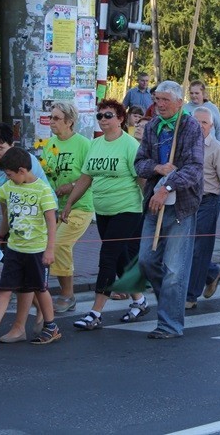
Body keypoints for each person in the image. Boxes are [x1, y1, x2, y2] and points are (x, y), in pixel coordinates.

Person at [63, 99, 148, 329]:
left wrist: (147, 205)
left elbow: (141, 178)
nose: (103, 120)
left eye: (108, 115)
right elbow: (86, 177)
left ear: (121, 118)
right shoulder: (95, 144)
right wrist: (70, 203)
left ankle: (95, 312)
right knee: (120, 258)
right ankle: (140, 300)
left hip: (127, 209)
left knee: (107, 257)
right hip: (103, 210)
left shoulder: (130, 145)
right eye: (99, 116)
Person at [0, 147, 60, 347]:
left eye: (9, 174)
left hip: (36, 250)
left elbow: (51, 220)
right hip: (14, 249)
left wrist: (50, 249)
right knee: (5, 289)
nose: (8, 178)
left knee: (40, 289)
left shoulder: (42, 190)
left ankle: (51, 326)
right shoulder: (10, 186)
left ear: (22, 170)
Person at [136, 81, 204, 338]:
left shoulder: (191, 126)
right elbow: (139, 163)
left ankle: (170, 324)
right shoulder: (152, 126)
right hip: (154, 205)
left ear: (179, 102)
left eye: (165, 100)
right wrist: (157, 168)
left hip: (181, 207)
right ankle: (169, 301)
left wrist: (169, 186)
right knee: (146, 261)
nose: (160, 104)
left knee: (175, 269)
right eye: (157, 99)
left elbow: (195, 169)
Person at [39, 101, 93, 313]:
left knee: (60, 244)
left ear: (70, 122)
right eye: (50, 117)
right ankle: (59, 292)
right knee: (51, 244)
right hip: (55, 206)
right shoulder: (49, 144)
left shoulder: (83, 144)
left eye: (56, 118)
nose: (51, 122)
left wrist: (70, 186)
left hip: (80, 205)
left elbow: (90, 176)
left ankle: (68, 295)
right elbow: (45, 173)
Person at [185, 107, 220, 309]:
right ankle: (212, 272)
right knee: (186, 247)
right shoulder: (185, 144)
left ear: (212, 125)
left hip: (208, 201)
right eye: (196, 121)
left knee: (200, 249)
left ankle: (191, 295)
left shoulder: (218, 149)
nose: (199, 126)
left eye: (204, 122)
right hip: (187, 201)